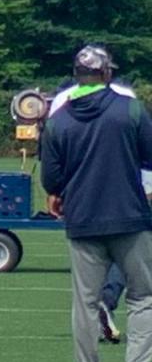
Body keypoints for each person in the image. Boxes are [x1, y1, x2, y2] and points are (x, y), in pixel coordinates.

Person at [40, 45, 152, 362]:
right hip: (130, 216)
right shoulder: (130, 109)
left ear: (77, 76)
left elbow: (51, 180)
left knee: (85, 304)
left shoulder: (58, 120)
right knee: (143, 296)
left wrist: (60, 193)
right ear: (106, 75)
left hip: (83, 219)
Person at [49, 71, 147, 345]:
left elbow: (52, 155)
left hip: (81, 203)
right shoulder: (127, 101)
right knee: (139, 283)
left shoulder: (61, 102)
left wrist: (56, 190)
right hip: (125, 197)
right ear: (107, 73)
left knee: (85, 295)